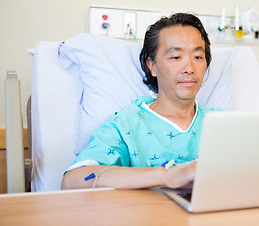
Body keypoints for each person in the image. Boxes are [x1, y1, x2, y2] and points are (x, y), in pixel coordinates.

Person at [61, 13, 220, 190]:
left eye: (198, 57)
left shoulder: (223, 123)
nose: (190, 68)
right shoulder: (127, 125)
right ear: (152, 66)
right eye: (175, 57)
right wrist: (166, 176)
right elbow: (73, 180)